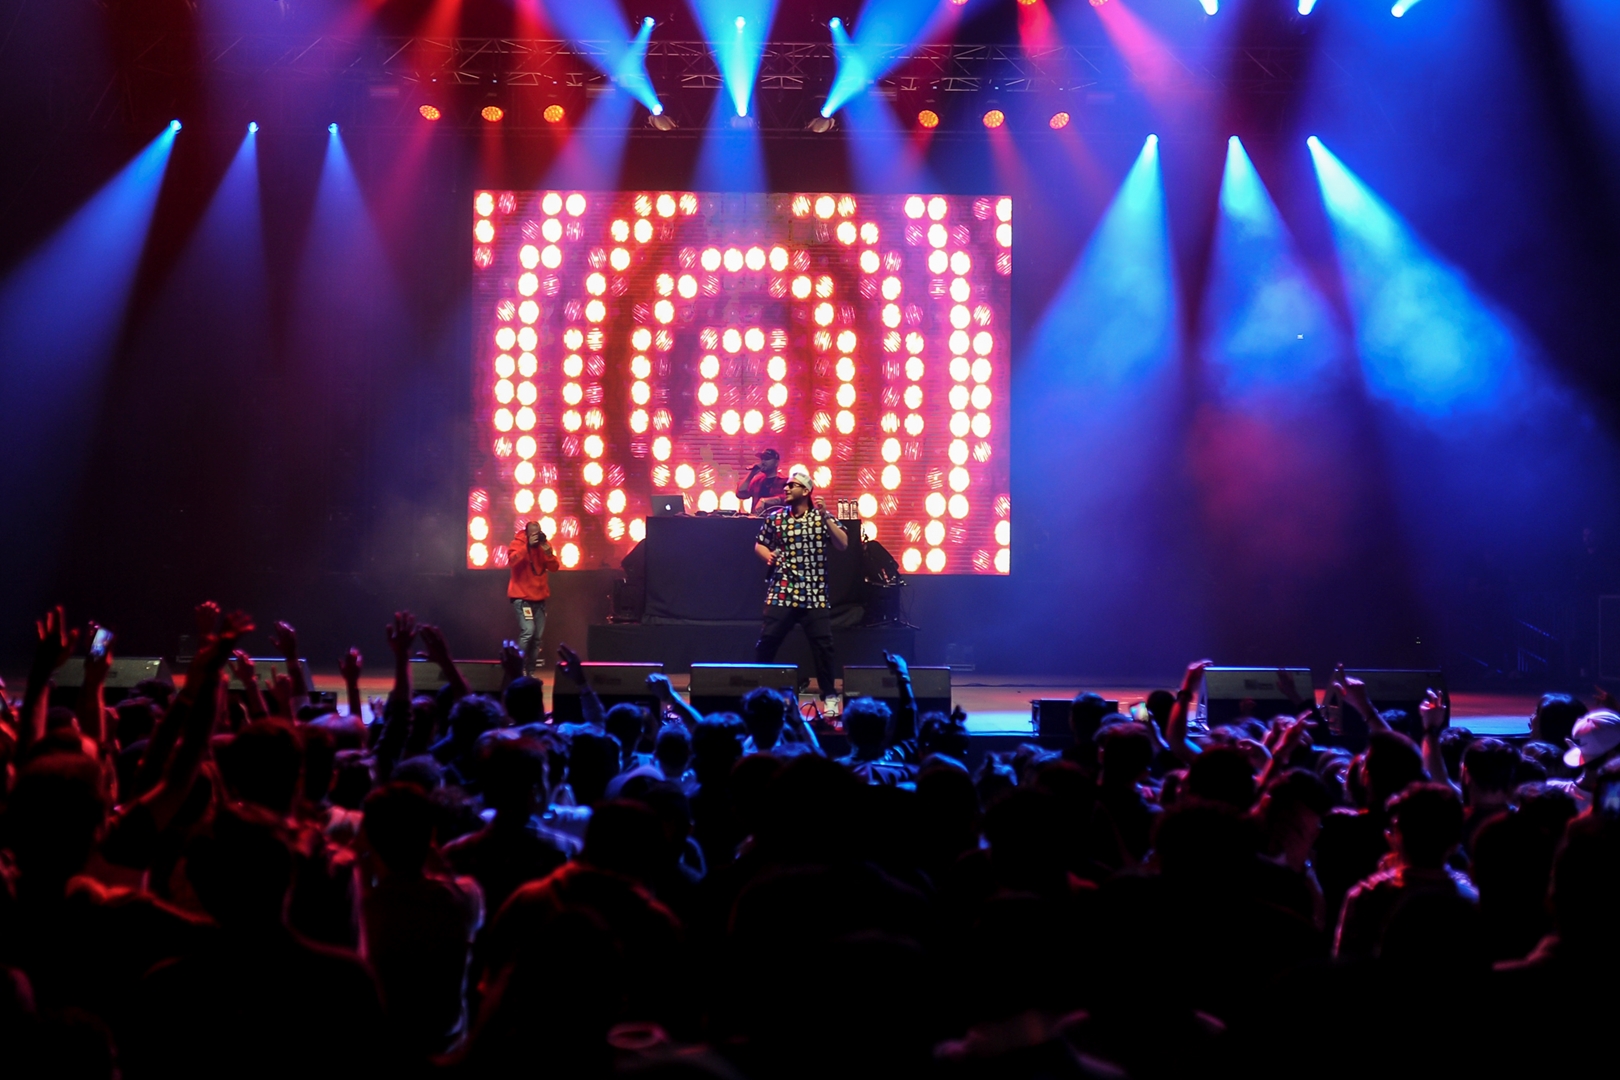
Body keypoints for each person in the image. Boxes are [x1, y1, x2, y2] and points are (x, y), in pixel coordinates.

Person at [752, 470, 848, 716]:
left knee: (823, 646)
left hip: (814, 592)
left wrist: (826, 517)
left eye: (792, 485)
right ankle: (758, 694)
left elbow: (843, 543)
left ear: (806, 491)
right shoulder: (776, 518)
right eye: (786, 485)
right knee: (767, 641)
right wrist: (768, 555)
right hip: (783, 589)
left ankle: (829, 696)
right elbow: (760, 543)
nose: (786, 489)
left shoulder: (820, 517)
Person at [506, 521, 560, 677]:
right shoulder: (517, 544)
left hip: (539, 599)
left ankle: (530, 672)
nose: (536, 536)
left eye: (538, 532)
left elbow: (554, 568)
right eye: (533, 533)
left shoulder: (544, 546)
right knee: (528, 631)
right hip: (522, 597)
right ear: (527, 533)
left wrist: (549, 554)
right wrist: (527, 546)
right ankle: (518, 669)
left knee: (537, 638)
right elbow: (512, 561)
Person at [735, 447, 788, 513]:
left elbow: (789, 498)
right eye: (762, 459)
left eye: (767, 459)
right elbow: (740, 494)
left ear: (776, 463)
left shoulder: (785, 481)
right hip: (757, 518)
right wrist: (752, 474)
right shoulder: (757, 481)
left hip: (776, 518)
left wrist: (766, 501)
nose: (763, 462)